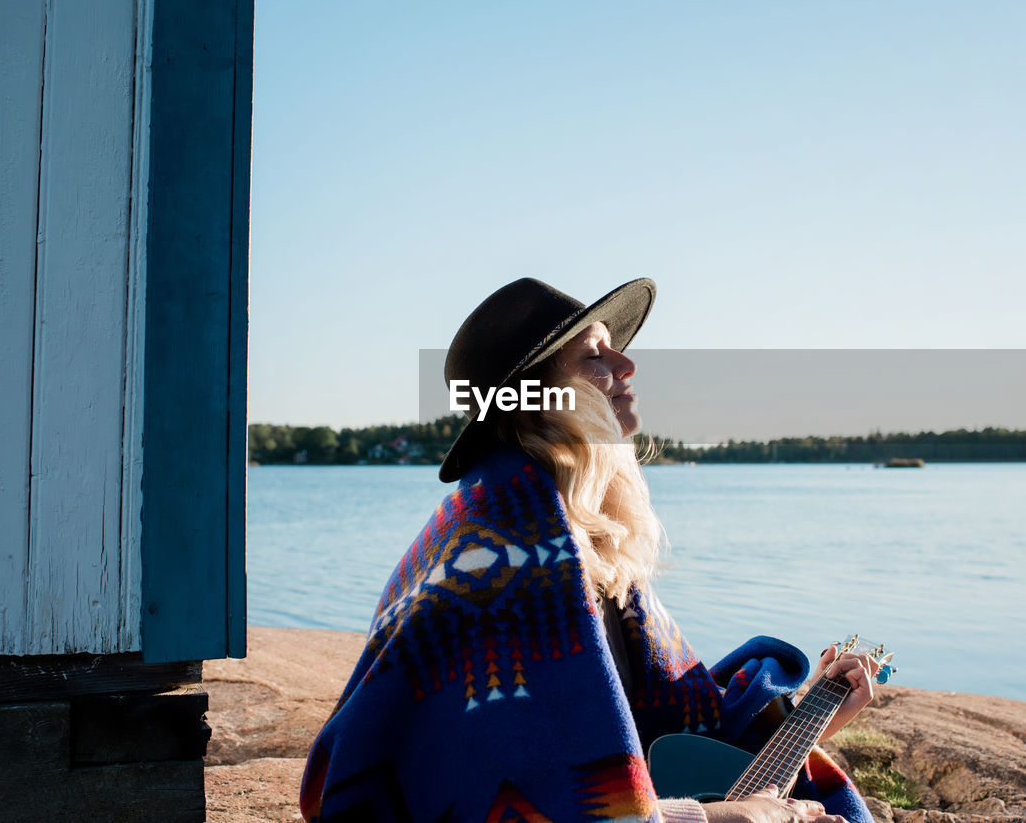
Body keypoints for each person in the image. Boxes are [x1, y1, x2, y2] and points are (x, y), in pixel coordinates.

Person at [301, 277, 882, 823]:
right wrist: (722, 815)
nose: (628, 365)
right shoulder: (503, 566)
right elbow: (528, 803)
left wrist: (808, 712)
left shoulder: (569, 537)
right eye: (595, 357)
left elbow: (647, 731)